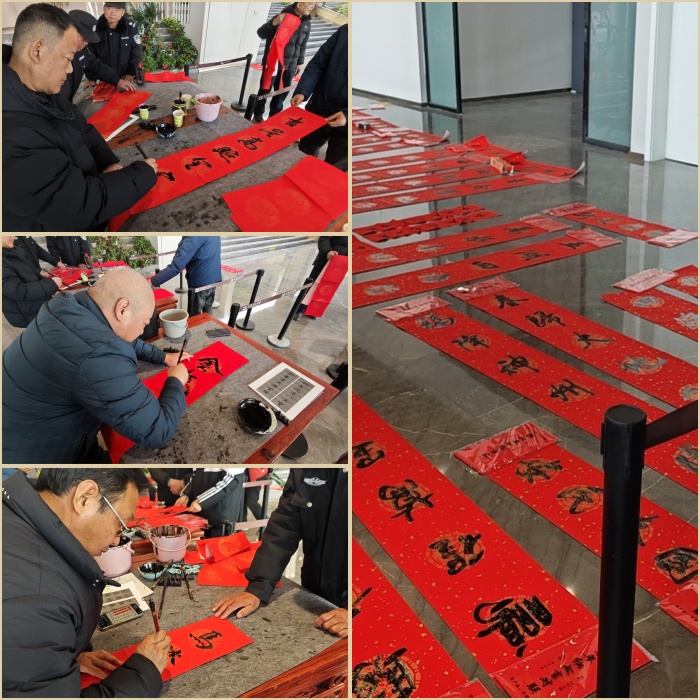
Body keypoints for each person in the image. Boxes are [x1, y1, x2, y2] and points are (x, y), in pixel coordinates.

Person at [2, 469, 171, 697]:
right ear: (84, 498)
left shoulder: (15, 513)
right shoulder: (35, 602)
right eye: (120, 524)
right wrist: (143, 672)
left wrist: (61, 657)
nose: (116, 540)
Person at [2, 267, 192, 464]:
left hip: (23, 418)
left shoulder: (68, 306)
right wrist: (175, 380)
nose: (142, 331)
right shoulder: (97, 355)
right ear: (123, 309)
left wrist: (162, 356)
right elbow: (157, 431)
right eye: (144, 323)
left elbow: (120, 338)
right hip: (37, 449)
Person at [2, 3, 158, 232]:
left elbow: (82, 128)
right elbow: (77, 205)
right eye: (67, 59)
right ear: (37, 51)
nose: (70, 70)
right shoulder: (10, 134)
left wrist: (109, 163)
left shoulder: (43, 90)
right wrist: (142, 174)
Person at [212, 468, 348, 638]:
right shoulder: (306, 471)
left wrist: (359, 611)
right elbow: (284, 526)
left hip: (362, 605)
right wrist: (259, 586)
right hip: (313, 593)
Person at [291, 24, 348, 171]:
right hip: (320, 108)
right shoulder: (345, 31)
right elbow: (318, 64)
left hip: (350, 125)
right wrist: (303, 91)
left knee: (334, 170)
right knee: (304, 153)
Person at [254, 2, 314, 123]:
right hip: (274, 64)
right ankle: (258, 114)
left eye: (315, 4)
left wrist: (299, 62)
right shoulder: (282, 17)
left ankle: (274, 116)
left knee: (282, 92)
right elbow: (261, 33)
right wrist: (274, 22)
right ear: (299, 4)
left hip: (290, 65)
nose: (313, 6)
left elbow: (302, 45)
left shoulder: (307, 23)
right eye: (311, 3)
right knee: (265, 89)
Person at [60, 9, 135, 103]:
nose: (86, 43)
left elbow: (95, 66)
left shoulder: (81, 50)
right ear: (69, 31)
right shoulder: (53, 56)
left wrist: (117, 81)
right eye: (84, 38)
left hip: (66, 104)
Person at [2, 235, 64, 328]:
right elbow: (17, 290)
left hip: (37, 304)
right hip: (26, 313)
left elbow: (30, 273)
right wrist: (50, 285)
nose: (13, 236)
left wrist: (51, 289)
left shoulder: (15, 251)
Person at [150, 236, 222, 316]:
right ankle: (209, 323)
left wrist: (152, 282)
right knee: (208, 310)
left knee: (195, 315)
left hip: (200, 282)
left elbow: (175, 267)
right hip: (214, 277)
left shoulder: (192, 237)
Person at [176, 468, 246, 539]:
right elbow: (195, 476)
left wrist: (201, 501)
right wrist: (186, 494)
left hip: (221, 518)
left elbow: (230, 479)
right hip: (202, 518)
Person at [294, 236, 348, 321]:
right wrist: (328, 251)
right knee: (312, 285)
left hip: (341, 265)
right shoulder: (341, 227)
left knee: (327, 288)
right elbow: (324, 237)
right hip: (326, 259)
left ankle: (313, 310)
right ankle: (299, 309)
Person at [92, 3, 142, 85]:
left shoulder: (130, 28)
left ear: (122, 12)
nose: (112, 13)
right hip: (102, 79)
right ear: (104, 9)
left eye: (117, 10)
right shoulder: (95, 28)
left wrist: (130, 73)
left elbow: (136, 51)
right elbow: (90, 55)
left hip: (125, 78)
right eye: (109, 9)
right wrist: (92, 77)